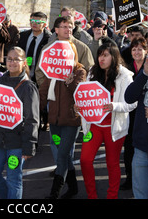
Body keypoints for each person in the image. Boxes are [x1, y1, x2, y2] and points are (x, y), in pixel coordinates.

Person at [79, 42, 136, 199]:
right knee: (85, 160)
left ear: (114, 56)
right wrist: (79, 106)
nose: (101, 59)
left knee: (112, 163)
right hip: (94, 126)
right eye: (99, 55)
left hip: (114, 127)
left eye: (105, 55)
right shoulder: (92, 73)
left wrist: (114, 106)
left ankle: (112, 196)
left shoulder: (124, 76)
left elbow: (132, 103)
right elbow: (84, 96)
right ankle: (92, 196)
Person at [0, 46, 39, 199]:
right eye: (9, 59)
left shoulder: (28, 87)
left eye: (16, 59)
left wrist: (29, 146)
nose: (12, 62)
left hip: (17, 142)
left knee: (14, 180)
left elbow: (32, 119)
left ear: (24, 63)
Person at [39, 38, 86, 199]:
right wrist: (32, 114)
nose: (63, 58)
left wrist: (69, 82)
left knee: (62, 155)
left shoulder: (79, 71)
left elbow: (81, 93)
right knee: (65, 156)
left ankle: (54, 193)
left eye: (67, 54)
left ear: (73, 55)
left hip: (71, 122)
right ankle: (73, 188)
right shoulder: (51, 72)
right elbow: (43, 94)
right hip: (54, 122)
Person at [124, 46, 148, 199]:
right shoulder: (147, 75)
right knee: (142, 195)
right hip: (140, 149)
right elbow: (129, 97)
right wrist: (144, 74)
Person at [120, 36, 148, 190]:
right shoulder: (126, 69)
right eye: (134, 49)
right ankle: (130, 178)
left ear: (146, 51)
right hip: (129, 113)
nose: (137, 52)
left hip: (146, 112)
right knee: (129, 147)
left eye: (140, 49)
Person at [18, 11, 52, 82]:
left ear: (44, 24)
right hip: (22, 72)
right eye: (32, 21)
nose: (34, 23)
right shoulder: (23, 36)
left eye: (38, 22)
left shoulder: (49, 39)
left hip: (40, 75)